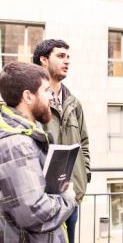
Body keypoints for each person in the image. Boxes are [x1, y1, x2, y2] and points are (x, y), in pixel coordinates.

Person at [0, 61, 76, 243]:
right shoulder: (17, 144)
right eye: (46, 90)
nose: (52, 97)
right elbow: (34, 212)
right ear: (28, 96)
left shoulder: (27, 134)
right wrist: (68, 198)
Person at [33, 39, 91, 243]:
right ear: (44, 60)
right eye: (60, 56)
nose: (66, 61)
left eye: (68, 57)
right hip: (42, 199)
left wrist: (84, 176)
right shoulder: (31, 99)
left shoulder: (73, 103)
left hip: (71, 195)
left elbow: (83, 142)